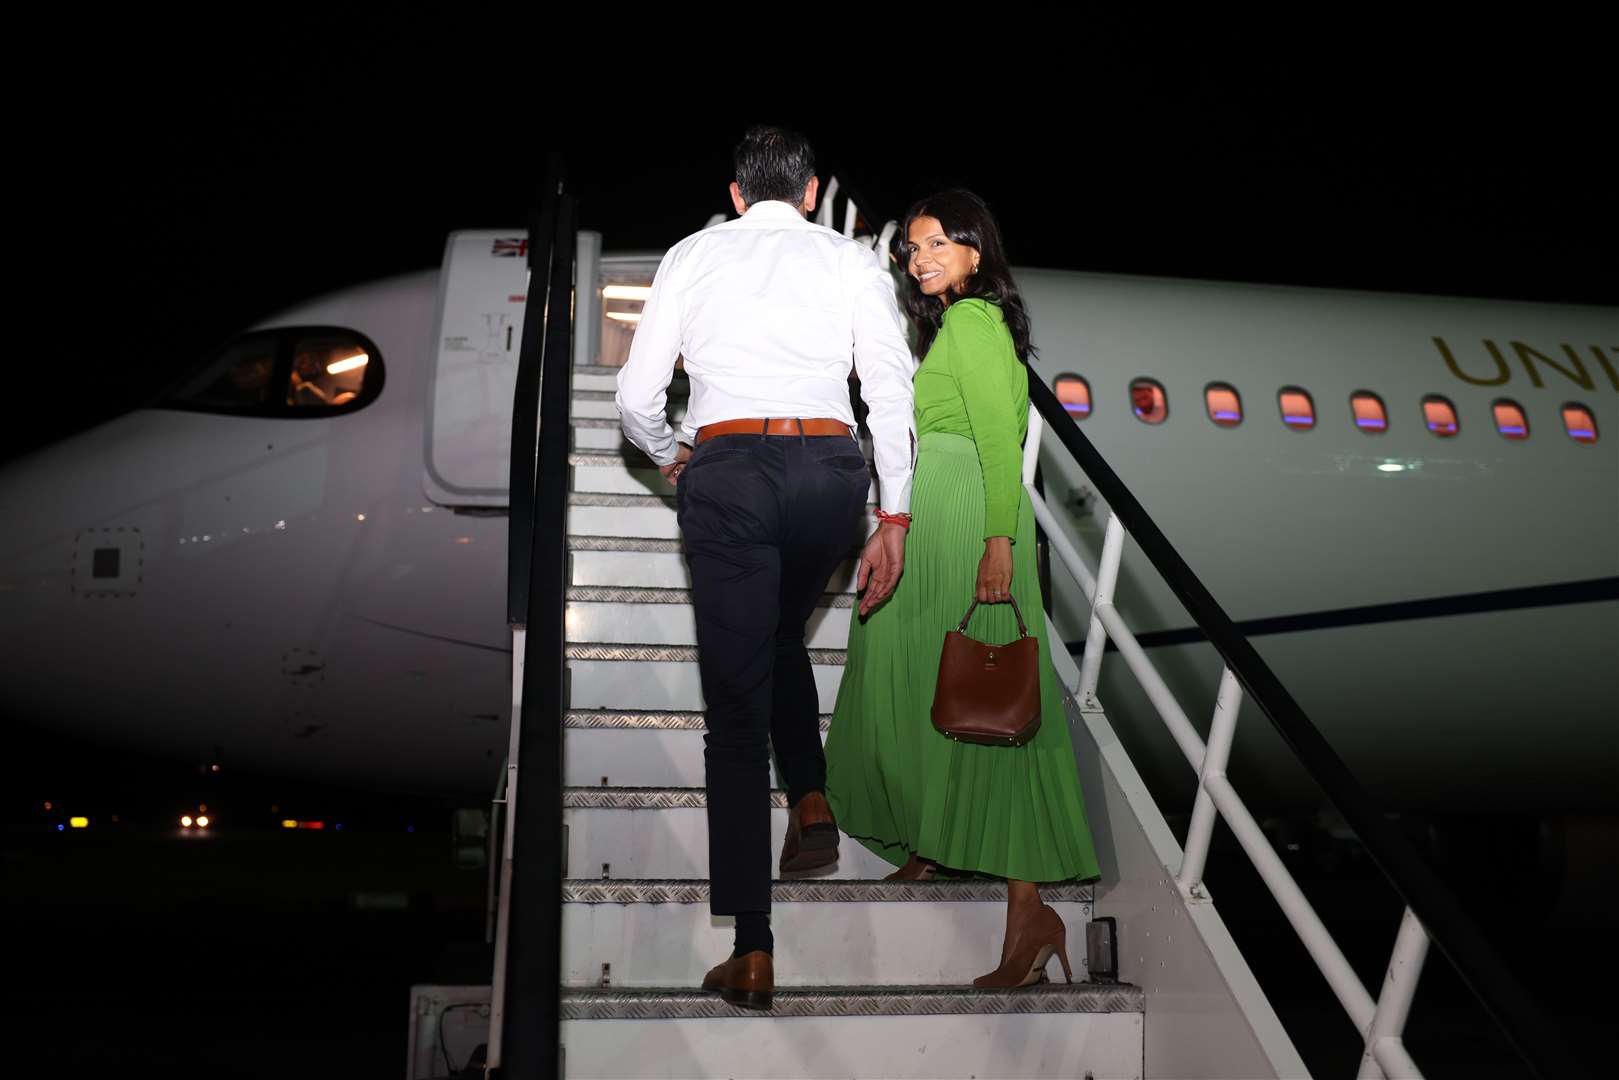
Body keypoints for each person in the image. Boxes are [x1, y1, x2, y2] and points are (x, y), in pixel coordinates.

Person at [615, 125, 916, 1011]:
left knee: (735, 715)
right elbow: (888, 385)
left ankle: (752, 948)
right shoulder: (852, 261)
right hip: (830, 478)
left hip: (733, 474)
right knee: (779, 633)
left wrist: (670, 450)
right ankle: (812, 797)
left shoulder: (692, 254)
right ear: (814, 191)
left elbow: (635, 396)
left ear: (738, 194)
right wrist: (892, 512)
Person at [824, 189, 1101, 989]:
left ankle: (1028, 915)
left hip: (960, 525)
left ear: (977, 250)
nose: (921, 258)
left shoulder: (975, 324)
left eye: (939, 243)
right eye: (912, 249)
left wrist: (998, 547)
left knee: (980, 710)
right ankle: (927, 840)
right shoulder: (950, 325)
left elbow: (999, 447)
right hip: (928, 519)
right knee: (906, 684)